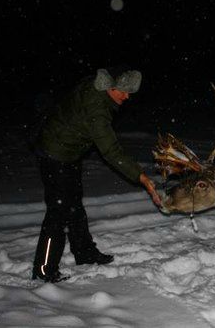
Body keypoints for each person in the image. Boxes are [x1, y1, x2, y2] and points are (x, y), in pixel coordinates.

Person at [31, 66, 162, 283]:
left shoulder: (95, 86)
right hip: (55, 153)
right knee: (58, 210)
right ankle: (44, 270)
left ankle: (84, 252)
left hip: (68, 151)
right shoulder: (97, 111)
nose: (127, 96)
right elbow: (111, 151)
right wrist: (141, 177)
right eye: (124, 91)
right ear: (112, 87)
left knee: (73, 204)